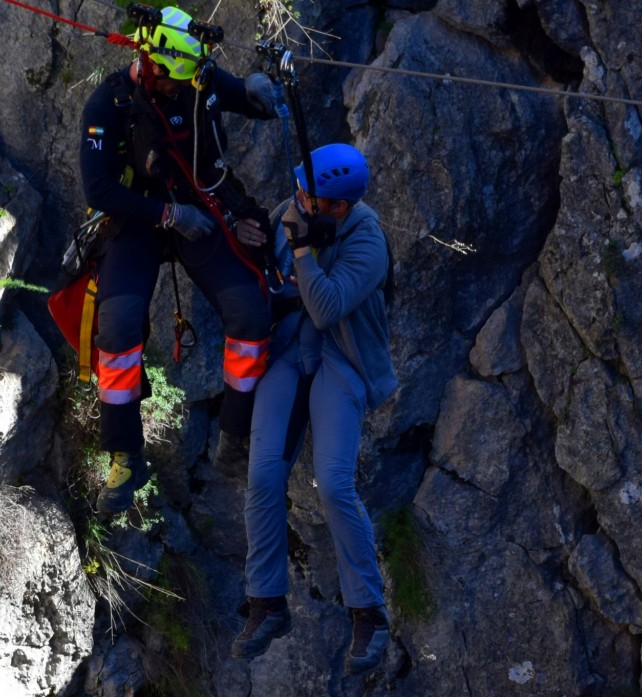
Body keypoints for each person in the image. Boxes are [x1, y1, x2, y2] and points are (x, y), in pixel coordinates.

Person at [79, 6, 278, 515]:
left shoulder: (193, 77)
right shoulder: (109, 103)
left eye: (188, 80)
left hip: (202, 205)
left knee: (252, 316)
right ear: (149, 62)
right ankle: (125, 454)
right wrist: (169, 215)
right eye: (172, 81)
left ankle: (234, 438)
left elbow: (236, 96)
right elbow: (100, 189)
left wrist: (258, 93)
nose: (180, 89)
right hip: (139, 216)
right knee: (118, 327)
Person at [231, 143, 397, 676]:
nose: (297, 202)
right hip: (289, 350)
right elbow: (270, 273)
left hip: (341, 357)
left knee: (333, 482)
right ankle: (266, 604)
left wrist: (302, 252)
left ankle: (368, 614)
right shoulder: (299, 208)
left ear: (340, 208)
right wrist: (250, 238)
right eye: (298, 191)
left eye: (310, 197)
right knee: (261, 474)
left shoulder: (369, 240)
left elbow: (326, 309)